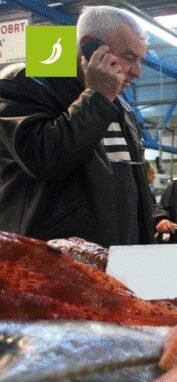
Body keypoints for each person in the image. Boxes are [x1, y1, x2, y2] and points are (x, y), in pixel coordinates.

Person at [0, 6, 154, 246]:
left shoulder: (120, 104)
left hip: (120, 261)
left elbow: (132, 186)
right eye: (129, 57)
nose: (137, 72)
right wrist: (98, 97)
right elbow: (46, 159)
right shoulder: (23, 83)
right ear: (90, 45)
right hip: (55, 265)